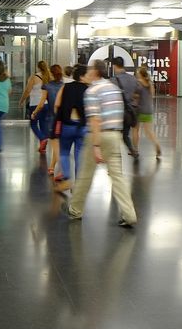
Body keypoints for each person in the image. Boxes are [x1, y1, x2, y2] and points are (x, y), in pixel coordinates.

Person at [65, 60, 137, 227]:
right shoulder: (114, 89)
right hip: (115, 135)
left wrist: (96, 146)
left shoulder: (92, 91)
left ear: (95, 72)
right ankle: (129, 214)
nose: (87, 74)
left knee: (85, 175)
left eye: (89, 70)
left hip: (98, 136)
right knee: (117, 177)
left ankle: (75, 209)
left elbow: (95, 120)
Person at [53, 64, 88, 192]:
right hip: (82, 126)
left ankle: (67, 177)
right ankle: (78, 184)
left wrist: (59, 116)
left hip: (67, 125)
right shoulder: (88, 90)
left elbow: (57, 104)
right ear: (83, 76)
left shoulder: (65, 87)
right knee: (79, 154)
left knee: (64, 152)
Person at [31, 64, 65, 174]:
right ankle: (51, 167)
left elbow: (41, 103)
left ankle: (60, 169)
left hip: (51, 118)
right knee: (58, 144)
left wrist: (34, 112)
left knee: (55, 144)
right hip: (62, 117)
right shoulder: (64, 86)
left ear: (51, 73)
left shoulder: (46, 86)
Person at [110, 56, 139, 157]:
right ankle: (132, 150)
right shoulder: (133, 79)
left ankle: (116, 154)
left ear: (114, 66)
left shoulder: (114, 80)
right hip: (129, 112)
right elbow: (137, 93)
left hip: (117, 112)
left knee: (115, 133)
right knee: (125, 134)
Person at [21, 60, 50, 154]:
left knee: (33, 124)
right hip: (45, 104)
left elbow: (27, 90)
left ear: (38, 67)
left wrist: (21, 100)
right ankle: (43, 146)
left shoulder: (34, 77)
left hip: (35, 104)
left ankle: (42, 139)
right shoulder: (48, 77)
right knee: (43, 124)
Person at [133, 66, 161, 158]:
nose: (136, 74)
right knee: (149, 132)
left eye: (138, 72)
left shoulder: (138, 84)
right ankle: (156, 144)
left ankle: (136, 149)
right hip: (149, 110)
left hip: (139, 110)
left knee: (135, 130)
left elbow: (135, 97)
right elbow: (152, 96)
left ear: (140, 74)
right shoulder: (150, 83)